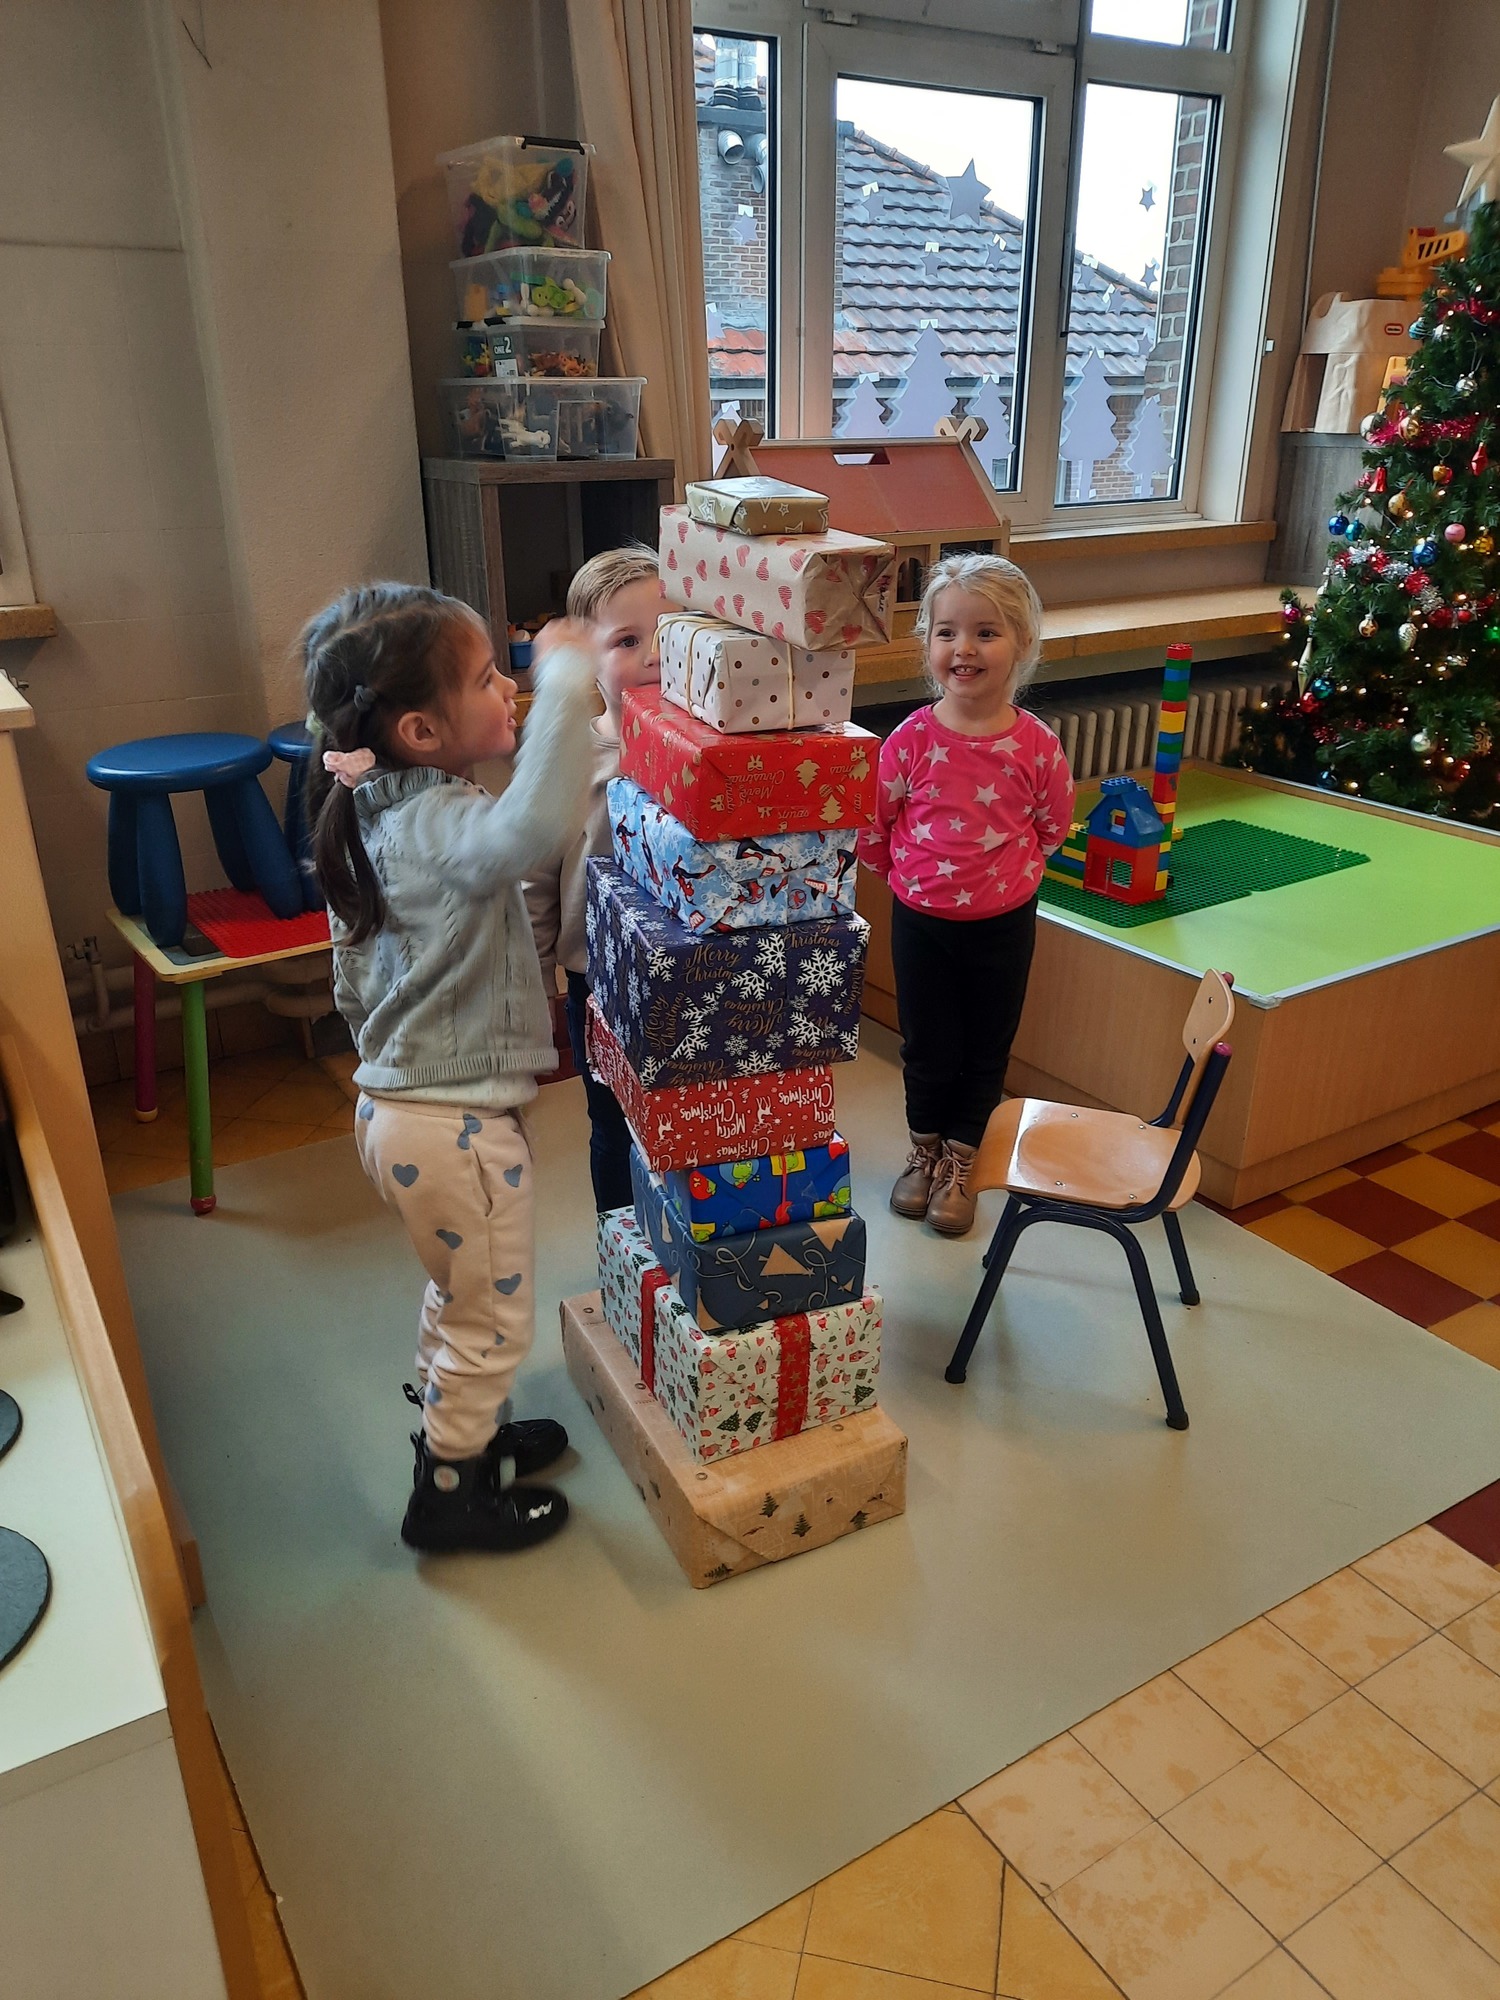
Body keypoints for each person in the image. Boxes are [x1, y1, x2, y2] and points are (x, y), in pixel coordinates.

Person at [302, 581, 599, 1554]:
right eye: (486, 679)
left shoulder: (376, 816)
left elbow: (354, 981)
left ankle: (466, 1430)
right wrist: (567, 684)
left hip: (401, 1113)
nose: (508, 687)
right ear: (421, 731)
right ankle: (448, 1494)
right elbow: (533, 829)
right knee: (493, 1320)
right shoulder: (437, 825)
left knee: (460, 1293)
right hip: (452, 1132)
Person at [859, 554, 1074, 1238]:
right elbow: (874, 825)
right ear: (927, 642)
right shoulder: (910, 740)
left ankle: (962, 1163)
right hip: (921, 923)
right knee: (927, 1046)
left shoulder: (1036, 746)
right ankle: (924, 1152)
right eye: (947, 632)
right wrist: (907, 877)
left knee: (985, 1049)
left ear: (1022, 644)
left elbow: (1053, 826)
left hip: (1003, 926)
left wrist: (1007, 878)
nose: (964, 649)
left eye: (986, 632)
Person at [523, 545, 663, 1211]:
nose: (654, 656)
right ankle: (620, 1245)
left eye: (670, 635)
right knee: (611, 1124)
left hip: (690, 978)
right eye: (628, 641)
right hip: (596, 980)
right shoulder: (572, 757)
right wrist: (541, 989)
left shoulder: (715, 755)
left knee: (686, 1128)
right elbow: (534, 880)